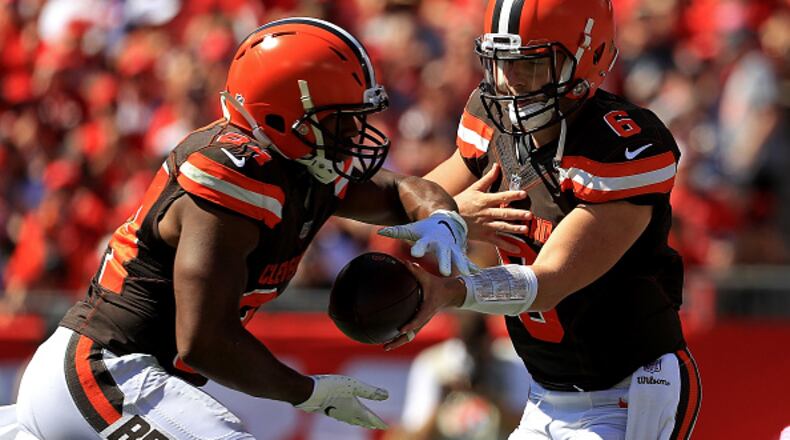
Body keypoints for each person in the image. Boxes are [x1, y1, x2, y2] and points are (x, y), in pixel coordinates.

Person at [8, 17, 473, 439]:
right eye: (341, 120)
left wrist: (442, 219)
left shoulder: (303, 166)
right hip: (105, 368)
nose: (355, 133)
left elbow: (401, 191)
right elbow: (204, 340)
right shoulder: (233, 176)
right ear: (281, 116)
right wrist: (306, 391)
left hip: (133, 376)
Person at [383, 1, 702, 439]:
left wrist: (451, 288)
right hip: (546, 393)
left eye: (529, 65)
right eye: (501, 63)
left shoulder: (621, 146)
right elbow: (409, 200)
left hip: (627, 391)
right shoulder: (491, 120)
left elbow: (547, 281)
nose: (510, 82)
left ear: (585, 60)